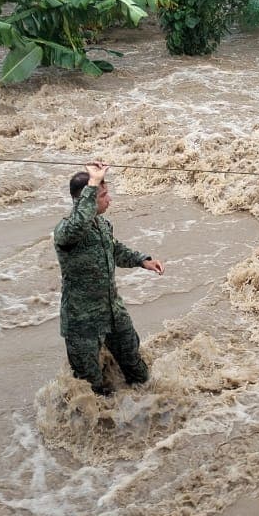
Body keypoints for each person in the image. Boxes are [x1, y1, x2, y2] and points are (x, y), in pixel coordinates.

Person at [54, 161, 165, 397]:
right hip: (82, 321)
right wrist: (93, 182)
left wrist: (142, 260)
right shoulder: (65, 231)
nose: (110, 199)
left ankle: (148, 410)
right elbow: (77, 225)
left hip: (112, 311)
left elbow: (114, 250)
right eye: (103, 195)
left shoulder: (102, 225)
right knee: (89, 387)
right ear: (87, 198)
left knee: (136, 367)